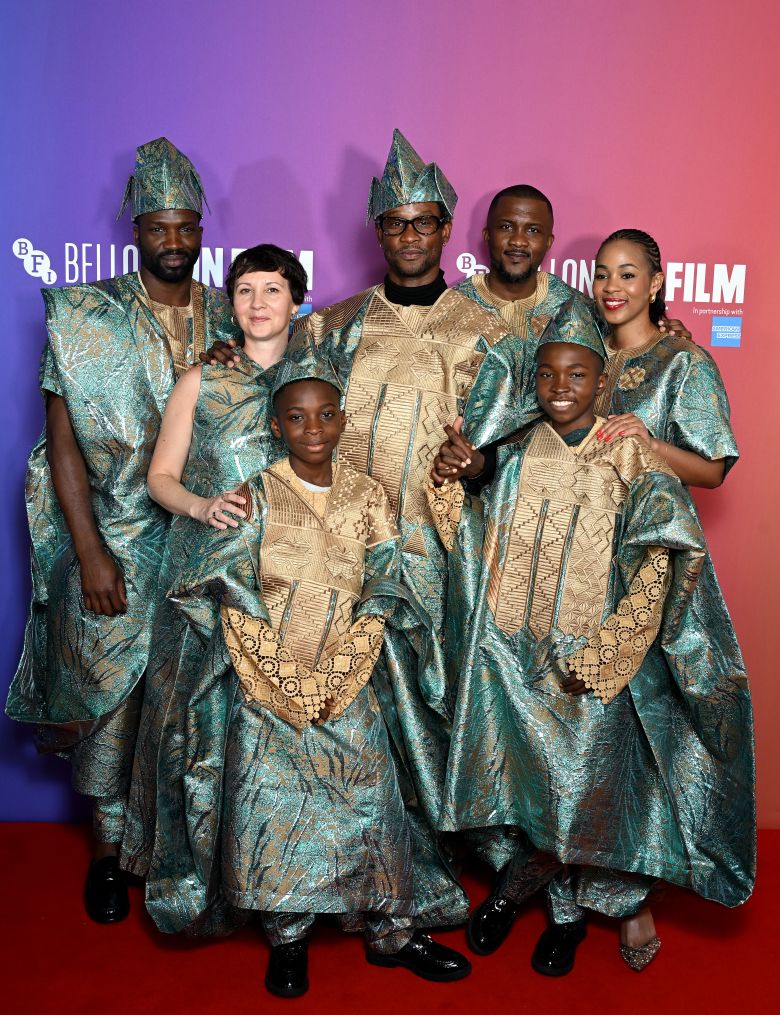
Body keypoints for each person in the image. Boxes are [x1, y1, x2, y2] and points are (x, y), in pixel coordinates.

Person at [427, 299, 755, 973]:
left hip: (591, 659)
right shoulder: (519, 447)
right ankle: (560, 910)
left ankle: (538, 896)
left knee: (583, 788)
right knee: (522, 785)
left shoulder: (630, 452)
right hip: (513, 658)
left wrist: (612, 650)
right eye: (547, 374)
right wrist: (461, 474)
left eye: (577, 374)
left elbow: (661, 556)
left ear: (602, 382)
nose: (560, 387)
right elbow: (474, 521)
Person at [145, 358, 471, 998]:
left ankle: (390, 931)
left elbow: (386, 581)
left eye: (325, 415)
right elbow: (230, 592)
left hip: (349, 676)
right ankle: (288, 937)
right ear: (276, 426)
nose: (313, 428)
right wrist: (282, 679)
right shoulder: (253, 496)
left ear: (343, 421)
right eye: (296, 417)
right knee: (272, 806)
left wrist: (347, 664)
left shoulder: (369, 495)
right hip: (267, 680)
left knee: (372, 801)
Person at [5, 138, 237, 923]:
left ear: (200, 230)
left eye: (185, 227)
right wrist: (90, 551)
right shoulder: (83, 315)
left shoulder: (231, 313)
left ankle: (182, 848)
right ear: (134, 229)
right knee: (112, 702)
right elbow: (61, 444)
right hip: (116, 536)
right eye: (158, 227)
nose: (173, 240)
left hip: (208, 542)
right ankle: (107, 852)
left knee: (196, 702)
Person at [121, 245, 306, 877]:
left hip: (292, 576)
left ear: (296, 301)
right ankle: (196, 869)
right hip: (206, 574)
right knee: (199, 721)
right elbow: (159, 479)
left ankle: (278, 874)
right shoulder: (200, 380)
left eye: (272, 289)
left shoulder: (320, 379)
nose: (258, 302)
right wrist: (200, 506)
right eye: (245, 290)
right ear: (231, 303)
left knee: (279, 722)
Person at [590, 228, 736, 486]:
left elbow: (712, 472)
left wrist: (649, 443)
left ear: (655, 283)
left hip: (651, 510)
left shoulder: (684, 361)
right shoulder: (584, 348)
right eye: (602, 275)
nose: (611, 286)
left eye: (627, 275)